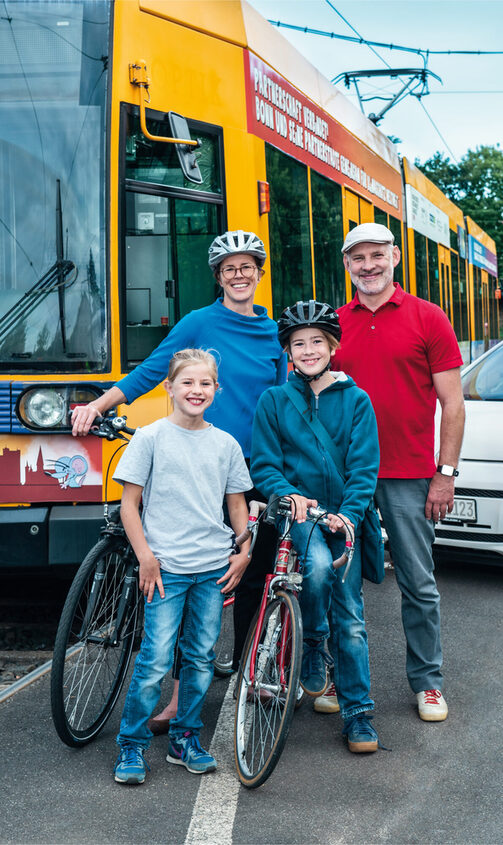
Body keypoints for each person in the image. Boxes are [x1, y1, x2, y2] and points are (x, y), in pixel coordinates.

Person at [71, 230, 286, 729]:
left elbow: (280, 403)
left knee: (247, 574)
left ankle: (246, 670)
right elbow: (151, 370)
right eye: (229, 267)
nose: (239, 274)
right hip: (191, 467)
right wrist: (99, 404)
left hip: (248, 467)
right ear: (219, 276)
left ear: (258, 273)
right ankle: (173, 695)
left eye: (247, 266)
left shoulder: (272, 334)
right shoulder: (198, 322)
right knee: (178, 574)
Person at [333, 222, 465, 722]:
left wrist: (445, 473)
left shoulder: (428, 318)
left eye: (376, 255)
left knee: (417, 582)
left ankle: (427, 682)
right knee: (336, 583)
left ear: (395, 258)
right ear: (347, 266)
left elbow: (453, 405)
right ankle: (337, 677)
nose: (368, 265)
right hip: (344, 476)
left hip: (409, 472)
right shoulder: (333, 322)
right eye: (357, 258)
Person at [112, 348, 252, 784]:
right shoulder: (151, 437)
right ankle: (131, 746)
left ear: (217, 390)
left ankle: (184, 738)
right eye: (187, 383)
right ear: (169, 388)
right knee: (154, 660)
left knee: (200, 659)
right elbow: (129, 506)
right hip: (166, 569)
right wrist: (146, 557)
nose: (196, 390)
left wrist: (243, 551)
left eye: (205, 383)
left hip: (211, 569)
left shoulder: (225, 444)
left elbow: (236, 504)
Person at [251, 300, 381, 753]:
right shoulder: (273, 401)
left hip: (344, 517)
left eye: (317, 342)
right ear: (288, 351)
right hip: (302, 516)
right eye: (298, 343)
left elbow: (365, 470)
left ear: (332, 347)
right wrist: (290, 494)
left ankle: (358, 715)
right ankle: (313, 643)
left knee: (353, 620)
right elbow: (264, 464)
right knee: (321, 571)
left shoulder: (357, 401)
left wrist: (351, 514)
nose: (308, 350)